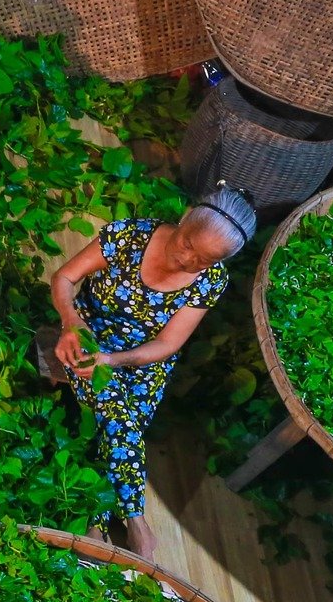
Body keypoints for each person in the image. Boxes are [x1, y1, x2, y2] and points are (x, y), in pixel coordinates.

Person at [48, 187, 258, 558]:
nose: (187, 260)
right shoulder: (130, 237)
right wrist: (71, 323)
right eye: (188, 244)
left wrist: (117, 360)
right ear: (186, 216)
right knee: (115, 410)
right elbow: (64, 278)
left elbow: (168, 344)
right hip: (91, 336)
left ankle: (96, 518)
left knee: (127, 420)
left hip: (146, 357)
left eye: (204, 260)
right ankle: (137, 521)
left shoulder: (210, 281)